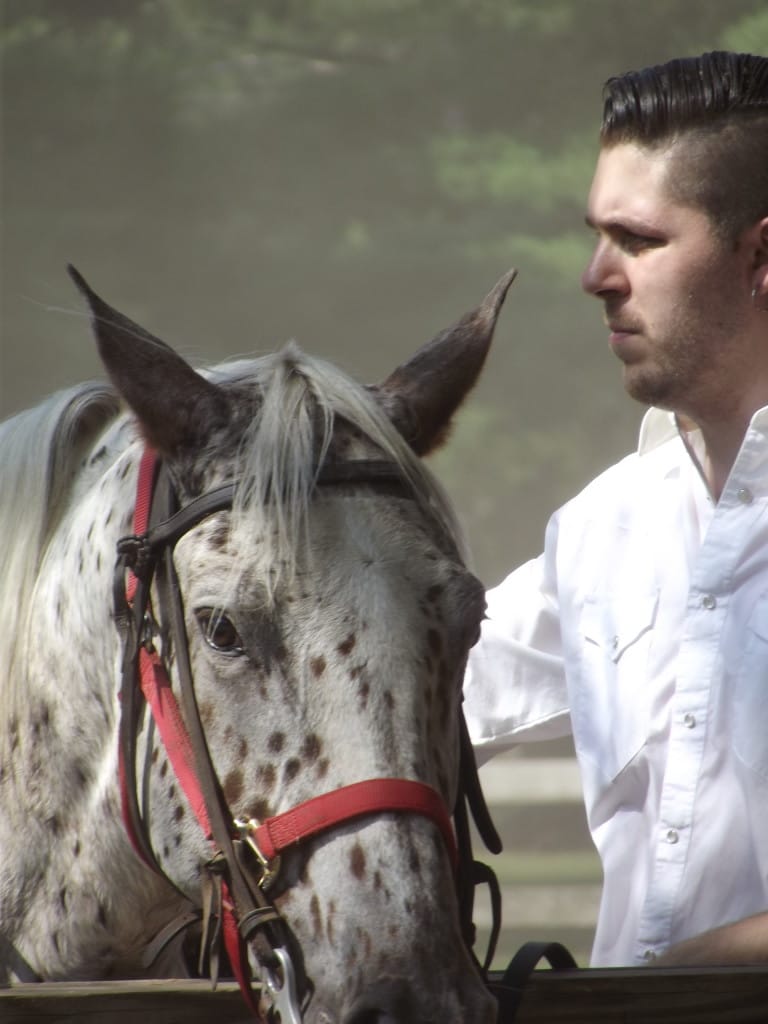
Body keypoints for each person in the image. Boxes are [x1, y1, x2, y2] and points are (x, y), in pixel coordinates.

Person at [463, 50, 768, 967]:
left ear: (761, 256)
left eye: (637, 240)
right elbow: (425, 698)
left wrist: (671, 985)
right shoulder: (601, 530)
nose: (596, 275)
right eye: (599, 236)